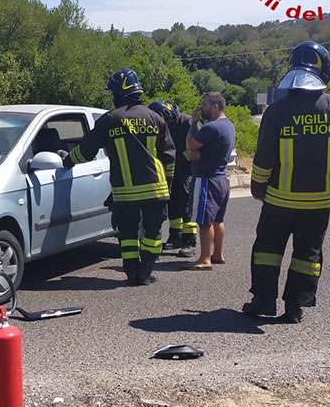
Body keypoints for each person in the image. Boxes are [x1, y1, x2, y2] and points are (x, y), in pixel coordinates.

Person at [244, 41, 330, 323]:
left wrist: (258, 188)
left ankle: (263, 300)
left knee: (268, 250)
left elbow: (263, 158)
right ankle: (294, 307)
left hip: (280, 200)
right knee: (307, 254)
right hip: (319, 202)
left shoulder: (276, 111)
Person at [63, 69, 175, 285]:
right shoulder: (155, 118)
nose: (112, 95)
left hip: (125, 192)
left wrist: (67, 160)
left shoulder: (110, 119)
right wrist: (168, 185)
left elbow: (86, 151)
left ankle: (131, 273)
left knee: (128, 235)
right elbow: (169, 156)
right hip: (156, 190)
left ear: (121, 92)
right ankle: (146, 273)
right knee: (152, 233)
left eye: (113, 91)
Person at [183, 92, 235, 270]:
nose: (201, 108)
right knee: (217, 220)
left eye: (204, 105)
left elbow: (190, 145)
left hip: (207, 180)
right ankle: (217, 254)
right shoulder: (228, 125)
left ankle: (205, 259)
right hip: (221, 179)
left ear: (215, 107)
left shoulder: (210, 128)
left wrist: (193, 123)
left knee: (205, 221)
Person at [149, 100, 197, 257]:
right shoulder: (160, 123)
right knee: (173, 205)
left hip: (187, 171)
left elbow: (196, 149)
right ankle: (175, 237)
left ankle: (189, 241)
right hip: (170, 170)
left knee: (186, 207)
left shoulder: (188, 123)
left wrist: (179, 159)